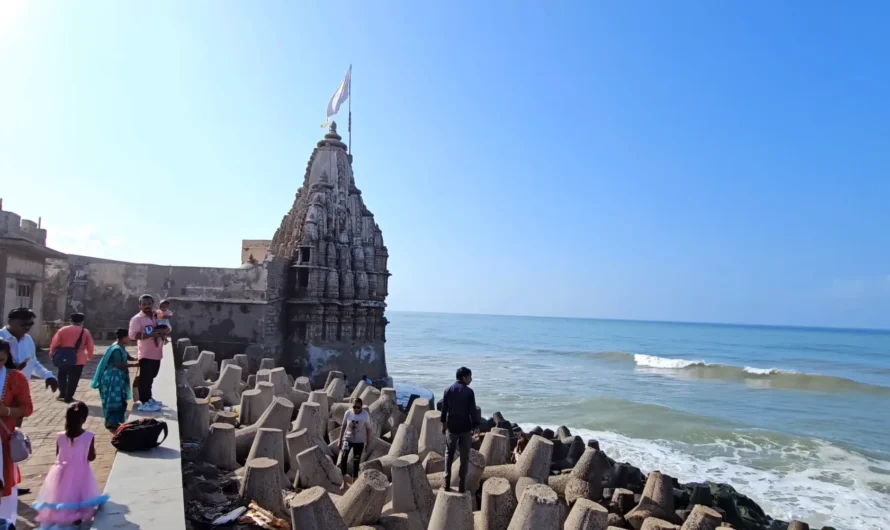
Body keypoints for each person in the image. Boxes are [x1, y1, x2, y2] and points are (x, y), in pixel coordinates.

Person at [32, 401, 108, 528]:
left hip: (61, 472)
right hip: (81, 471)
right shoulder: (88, 436)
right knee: (78, 494)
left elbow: (58, 455)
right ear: (84, 419)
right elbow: (91, 457)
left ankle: (63, 516)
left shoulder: (60, 436)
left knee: (62, 495)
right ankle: (76, 517)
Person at [0, 338, 34, 524]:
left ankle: (6, 523)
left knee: (4, 485)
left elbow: (27, 408)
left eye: (1, 360)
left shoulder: (15, 378)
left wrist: (6, 411)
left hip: (3, 441)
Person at [440, 366, 480, 493]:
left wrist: (443, 425)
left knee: (449, 454)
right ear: (464, 377)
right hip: (465, 428)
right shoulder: (469, 392)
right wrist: (476, 426)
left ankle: (446, 481)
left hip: (452, 428)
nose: (471, 379)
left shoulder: (448, 390)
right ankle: (462, 484)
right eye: (470, 377)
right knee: (464, 456)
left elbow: (444, 410)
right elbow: (473, 411)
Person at [0, 308, 59, 393]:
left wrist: (47, 375)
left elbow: (33, 363)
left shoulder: (28, 339)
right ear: (10, 321)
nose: (27, 327)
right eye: (23, 324)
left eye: (30, 324)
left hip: (21, 391)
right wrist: (10, 369)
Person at [128, 294, 169, 412]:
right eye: (144, 304)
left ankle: (149, 398)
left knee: (152, 376)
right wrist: (148, 335)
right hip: (146, 353)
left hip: (157, 351)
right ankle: (144, 401)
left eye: (149, 304)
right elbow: (132, 335)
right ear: (140, 305)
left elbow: (166, 326)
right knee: (145, 378)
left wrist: (164, 330)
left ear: (153, 304)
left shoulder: (157, 315)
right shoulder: (137, 319)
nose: (147, 306)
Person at [91, 329, 138, 430]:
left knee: (120, 399)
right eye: (128, 337)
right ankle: (111, 422)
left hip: (118, 377)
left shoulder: (121, 346)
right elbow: (118, 364)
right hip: (112, 377)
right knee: (113, 400)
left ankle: (116, 421)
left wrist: (135, 359)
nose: (129, 339)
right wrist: (135, 364)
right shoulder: (116, 349)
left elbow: (126, 356)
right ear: (123, 338)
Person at [49, 312, 95, 403]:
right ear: (82, 321)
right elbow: (90, 345)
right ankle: (69, 396)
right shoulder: (84, 332)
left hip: (63, 357)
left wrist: (52, 353)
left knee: (62, 375)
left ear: (70, 320)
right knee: (74, 378)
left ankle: (62, 393)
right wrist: (89, 355)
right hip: (78, 359)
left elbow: (54, 342)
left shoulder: (62, 330)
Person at [337, 397, 372, 480]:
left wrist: (368, 442)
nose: (356, 409)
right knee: (343, 458)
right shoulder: (348, 413)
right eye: (354, 407)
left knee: (356, 462)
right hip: (347, 439)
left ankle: (353, 482)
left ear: (361, 406)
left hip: (359, 442)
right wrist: (340, 439)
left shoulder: (365, 415)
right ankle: (344, 482)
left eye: (358, 407)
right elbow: (344, 426)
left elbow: (368, 429)